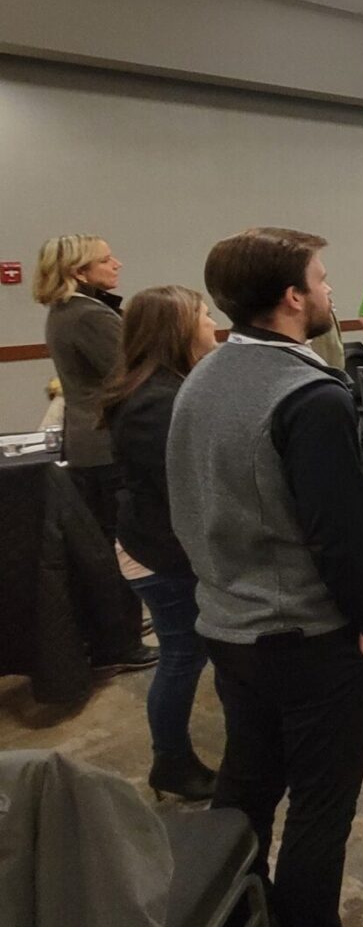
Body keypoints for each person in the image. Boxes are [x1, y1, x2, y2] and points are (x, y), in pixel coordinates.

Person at [167, 227, 363, 927]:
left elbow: (185, 504)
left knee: (245, 792)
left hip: (229, 629)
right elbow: (339, 536)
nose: (330, 288)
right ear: (291, 297)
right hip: (311, 641)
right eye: (321, 276)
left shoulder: (202, 381)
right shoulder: (308, 394)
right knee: (319, 810)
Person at [99, 286, 221, 802]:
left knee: (188, 651)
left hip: (163, 546)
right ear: (177, 329)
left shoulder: (169, 386)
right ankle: (170, 761)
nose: (214, 320)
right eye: (203, 314)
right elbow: (184, 488)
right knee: (181, 655)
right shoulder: (156, 400)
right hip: (160, 554)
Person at [34, 232, 154, 671]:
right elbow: (129, 372)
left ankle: (119, 630)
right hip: (104, 443)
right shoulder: (87, 315)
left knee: (106, 541)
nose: (116, 264)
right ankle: (117, 644)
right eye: (106, 260)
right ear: (79, 272)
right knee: (116, 544)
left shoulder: (65, 311)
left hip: (88, 440)